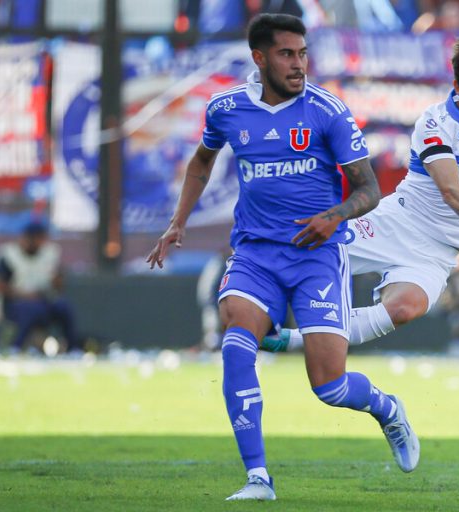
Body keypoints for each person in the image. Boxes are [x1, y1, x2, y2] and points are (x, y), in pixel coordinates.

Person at [146, 13, 419, 502]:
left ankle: (386, 409)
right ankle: (258, 478)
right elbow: (202, 162)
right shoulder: (226, 108)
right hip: (255, 252)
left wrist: (334, 216)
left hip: (318, 255)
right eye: (287, 55)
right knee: (234, 332)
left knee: (329, 386)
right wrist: (178, 222)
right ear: (259, 58)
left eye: (303, 53)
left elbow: (368, 189)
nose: (298, 65)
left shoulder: (327, 110)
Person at [260, 3, 459, 354]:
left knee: (404, 309)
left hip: (437, 252)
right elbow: (451, 190)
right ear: (457, 86)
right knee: (306, 250)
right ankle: (244, 298)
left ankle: (291, 341)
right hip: (396, 224)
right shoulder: (435, 124)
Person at [0, 220, 81, 354]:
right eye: (39, 238)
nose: (42, 242)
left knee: (63, 306)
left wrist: (57, 279)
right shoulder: (9, 254)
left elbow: (58, 286)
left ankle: (73, 349)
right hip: (14, 303)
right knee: (30, 308)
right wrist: (23, 295)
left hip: (42, 301)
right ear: (28, 238)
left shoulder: (49, 253)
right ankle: (15, 347)